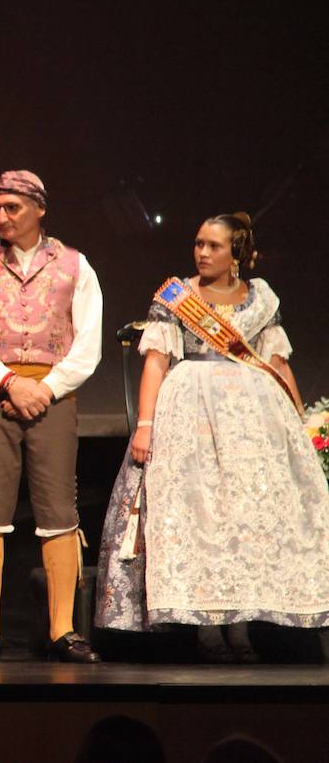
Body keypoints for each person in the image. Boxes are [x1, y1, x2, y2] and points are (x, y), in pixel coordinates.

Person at [94, 214, 329, 658]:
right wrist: (145, 426)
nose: (202, 252)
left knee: (242, 518)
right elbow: (157, 363)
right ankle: (205, 629)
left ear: (236, 253)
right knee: (199, 517)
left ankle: (240, 623)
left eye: (214, 246)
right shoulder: (177, 297)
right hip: (190, 417)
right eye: (198, 243)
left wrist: (300, 423)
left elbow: (277, 364)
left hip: (252, 423)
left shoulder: (261, 299)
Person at [0, 169, 103, 663]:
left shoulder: (75, 265)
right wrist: (10, 382)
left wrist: (46, 388)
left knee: (58, 509)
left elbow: (87, 342)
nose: (2, 217)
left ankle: (63, 629)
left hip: (53, 395)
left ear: (39, 209)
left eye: (13, 208)